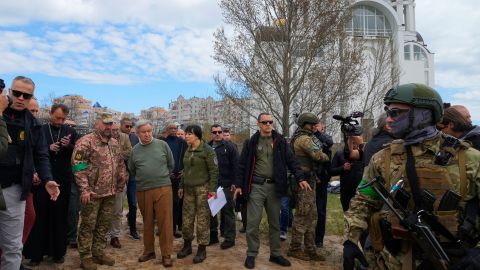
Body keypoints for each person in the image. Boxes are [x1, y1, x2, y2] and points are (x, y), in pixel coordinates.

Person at [343, 83, 480, 270]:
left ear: (424, 114)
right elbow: (364, 200)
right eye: (387, 111)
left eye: (396, 113)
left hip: (452, 261)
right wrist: (350, 240)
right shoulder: (383, 158)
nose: (389, 119)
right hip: (392, 260)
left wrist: (476, 254)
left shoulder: (469, 159)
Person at [233, 112, 310, 269]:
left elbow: (292, 160)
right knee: (253, 223)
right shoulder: (251, 142)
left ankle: (275, 254)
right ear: (259, 124)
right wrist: (239, 185)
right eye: (265, 122)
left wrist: (300, 178)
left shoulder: (280, 141)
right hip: (256, 187)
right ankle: (251, 254)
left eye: (270, 122)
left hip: (275, 187)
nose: (268, 125)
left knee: (275, 222)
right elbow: (242, 165)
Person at [0, 76, 60, 270]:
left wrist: (48, 179)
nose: (20, 98)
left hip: (15, 189)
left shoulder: (34, 125)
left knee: (13, 246)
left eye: (26, 95)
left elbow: (41, 156)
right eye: (16, 93)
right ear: (9, 91)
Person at [71, 112, 128, 270]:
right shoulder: (86, 142)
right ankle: (85, 256)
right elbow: (78, 165)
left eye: (111, 124)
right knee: (88, 225)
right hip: (92, 194)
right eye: (106, 124)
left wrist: (121, 182)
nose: (109, 127)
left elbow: (120, 164)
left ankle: (98, 252)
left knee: (104, 224)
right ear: (97, 124)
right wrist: (84, 189)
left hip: (110, 192)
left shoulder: (115, 143)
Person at [24, 104, 78, 265]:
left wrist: (67, 146)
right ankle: (36, 254)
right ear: (50, 114)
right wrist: (48, 148)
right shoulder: (40, 129)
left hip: (62, 180)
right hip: (42, 180)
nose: (60, 121)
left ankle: (58, 252)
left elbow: (77, 155)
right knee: (39, 217)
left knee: (60, 217)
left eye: (63, 119)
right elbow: (32, 152)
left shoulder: (71, 132)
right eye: (57, 118)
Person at [128, 121, 175, 267]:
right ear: (137, 133)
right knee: (147, 221)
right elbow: (132, 169)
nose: (147, 134)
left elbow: (171, 164)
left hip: (163, 188)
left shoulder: (162, 145)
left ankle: (166, 254)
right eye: (144, 132)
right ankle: (149, 251)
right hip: (143, 190)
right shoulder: (134, 150)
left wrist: (159, 176)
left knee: (165, 222)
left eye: (149, 131)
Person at [288, 113, 329, 261]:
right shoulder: (304, 139)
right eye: (312, 124)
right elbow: (319, 156)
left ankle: (311, 249)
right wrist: (325, 155)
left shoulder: (302, 137)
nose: (314, 127)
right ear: (306, 124)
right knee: (302, 215)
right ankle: (295, 248)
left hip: (308, 181)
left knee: (312, 216)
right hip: (303, 182)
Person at [177, 125, 218, 264]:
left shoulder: (207, 150)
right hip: (188, 189)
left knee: (202, 220)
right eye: (186, 133)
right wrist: (181, 185)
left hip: (203, 190)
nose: (186, 136)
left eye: (189, 134)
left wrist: (212, 189)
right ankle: (187, 245)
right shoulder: (188, 149)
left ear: (197, 135)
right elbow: (185, 169)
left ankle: (202, 249)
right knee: (187, 219)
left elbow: (214, 171)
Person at [208, 124, 239, 249]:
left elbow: (236, 166)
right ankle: (213, 236)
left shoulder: (230, 147)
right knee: (211, 212)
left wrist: (235, 183)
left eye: (219, 131)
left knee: (228, 213)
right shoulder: (207, 147)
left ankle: (230, 238)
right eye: (214, 132)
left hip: (226, 185)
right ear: (211, 133)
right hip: (211, 185)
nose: (217, 134)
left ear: (222, 132)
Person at [107, 122, 132, 248]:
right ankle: (102, 235)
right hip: (103, 183)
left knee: (117, 210)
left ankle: (114, 236)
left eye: (117, 130)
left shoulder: (125, 137)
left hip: (120, 181)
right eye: (113, 130)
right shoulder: (98, 140)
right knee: (104, 211)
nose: (115, 132)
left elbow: (129, 153)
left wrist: (115, 154)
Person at [163, 123, 188, 238]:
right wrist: (167, 172)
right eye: (171, 128)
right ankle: (164, 227)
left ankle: (175, 228)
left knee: (176, 203)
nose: (173, 130)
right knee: (164, 203)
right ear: (167, 130)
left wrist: (184, 170)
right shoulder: (162, 143)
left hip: (179, 178)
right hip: (165, 177)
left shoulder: (182, 143)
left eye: (175, 128)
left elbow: (187, 158)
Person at [330, 134, 364, 212]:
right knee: (347, 213)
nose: (355, 145)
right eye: (353, 143)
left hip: (360, 190)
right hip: (346, 191)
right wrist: (342, 168)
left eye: (356, 143)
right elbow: (331, 171)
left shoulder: (363, 153)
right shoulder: (340, 153)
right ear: (348, 142)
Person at [313, 120, 333, 248]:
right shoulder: (307, 137)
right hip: (310, 176)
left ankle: (319, 239)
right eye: (313, 124)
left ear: (322, 126)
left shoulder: (326, 138)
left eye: (317, 124)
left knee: (321, 210)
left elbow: (329, 143)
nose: (315, 126)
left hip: (322, 178)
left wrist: (318, 133)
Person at [120, 118, 140, 240]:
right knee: (117, 205)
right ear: (121, 125)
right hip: (119, 175)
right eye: (126, 126)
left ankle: (133, 229)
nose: (128, 128)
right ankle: (114, 233)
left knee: (133, 204)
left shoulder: (134, 138)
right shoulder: (115, 137)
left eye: (130, 126)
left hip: (132, 175)